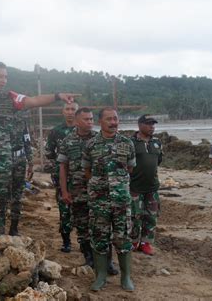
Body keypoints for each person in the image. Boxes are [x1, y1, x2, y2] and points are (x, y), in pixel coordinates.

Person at [0, 61, 78, 276]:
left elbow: (34, 101)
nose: (4, 80)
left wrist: (57, 96)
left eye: (6, 77)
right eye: (0, 76)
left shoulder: (11, 98)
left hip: (2, 165)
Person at [82, 107, 136, 292]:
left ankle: (126, 277)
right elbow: (87, 172)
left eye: (115, 119)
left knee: (123, 237)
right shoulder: (90, 145)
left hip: (121, 200)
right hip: (99, 201)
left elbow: (130, 169)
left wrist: (117, 185)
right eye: (109, 119)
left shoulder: (127, 143)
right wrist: (101, 187)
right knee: (99, 237)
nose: (113, 122)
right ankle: (101, 276)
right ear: (100, 122)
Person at [58, 108, 97, 266]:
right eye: (86, 119)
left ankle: (105, 259)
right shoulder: (68, 141)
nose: (90, 122)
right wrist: (64, 191)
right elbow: (63, 167)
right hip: (77, 190)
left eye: (91, 119)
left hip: (97, 190)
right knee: (82, 225)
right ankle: (88, 256)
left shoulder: (99, 139)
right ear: (76, 121)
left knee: (102, 225)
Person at [45, 102, 78, 253]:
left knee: (84, 210)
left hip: (82, 177)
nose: (70, 112)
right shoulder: (56, 132)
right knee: (64, 209)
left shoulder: (85, 130)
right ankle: (66, 241)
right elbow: (49, 153)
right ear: (62, 111)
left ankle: (86, 241)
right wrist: (57, 171)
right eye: (67, 109)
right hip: (63, 176)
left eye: (73, 109)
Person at [130, 114, 163, 255]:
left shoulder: (157, 143)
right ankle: (134, 241)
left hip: (152, 187)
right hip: (135, 187)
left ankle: (146, 243)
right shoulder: (131, 142)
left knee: (151, 216)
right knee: (135, 216)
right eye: (149, 124)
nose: (152, 127)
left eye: (153, 124)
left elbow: (158, 161)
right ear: (140, 125)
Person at [9, 111, 34, 236]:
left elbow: (27, 142)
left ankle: (14, 228)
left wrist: (30, 162)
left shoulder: (22, 122)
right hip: (1, 162)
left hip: (19, 161)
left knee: (17, 195)